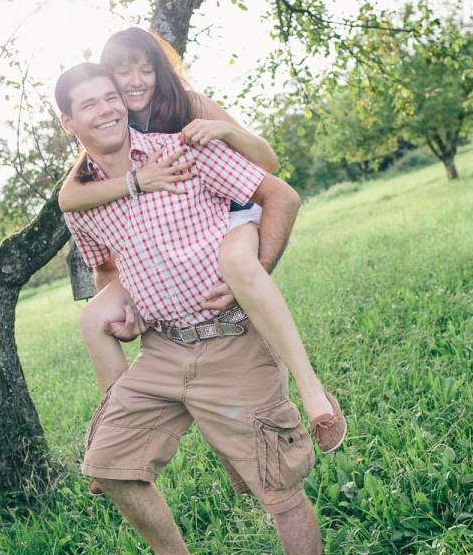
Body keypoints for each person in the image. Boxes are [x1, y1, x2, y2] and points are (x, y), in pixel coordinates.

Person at [56, 61, 330, 555]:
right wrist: (126, 313)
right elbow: (109, 275)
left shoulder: (180, 149)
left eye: (112, 96)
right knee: (108, 468)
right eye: (90, 104)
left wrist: (251, 277)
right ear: (68, 122)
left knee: (277, 490)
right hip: (160, 351)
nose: (108, 108)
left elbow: (279, 195)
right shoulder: (84, 198)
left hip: (231, 342)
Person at [58, 27, 345, 454]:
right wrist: (140, 181)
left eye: (146, 69)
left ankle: (312, 389)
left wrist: (222, 132)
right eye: (123, 73)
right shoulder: (109, 126)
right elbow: (70, 196)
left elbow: (267, 163)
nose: (135, 81)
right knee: (90, 319)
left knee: (237, 262)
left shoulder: (188, 105)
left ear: (160, 71)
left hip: (234, 209)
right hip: (185, 222)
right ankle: (120, 430)